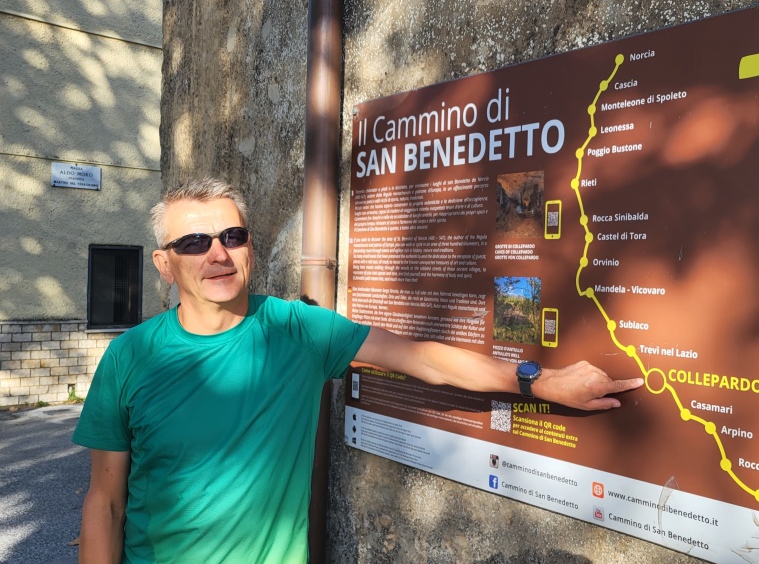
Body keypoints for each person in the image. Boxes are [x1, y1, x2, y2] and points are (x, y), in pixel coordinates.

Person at [73, 178, 642, 564]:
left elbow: (421, 357)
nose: (217, 254)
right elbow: (106, 501)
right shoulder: (130, 358)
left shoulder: (296, 330)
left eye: (232, 236)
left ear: (250, 249)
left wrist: (538, 380)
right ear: (165, 263)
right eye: (195, 242)